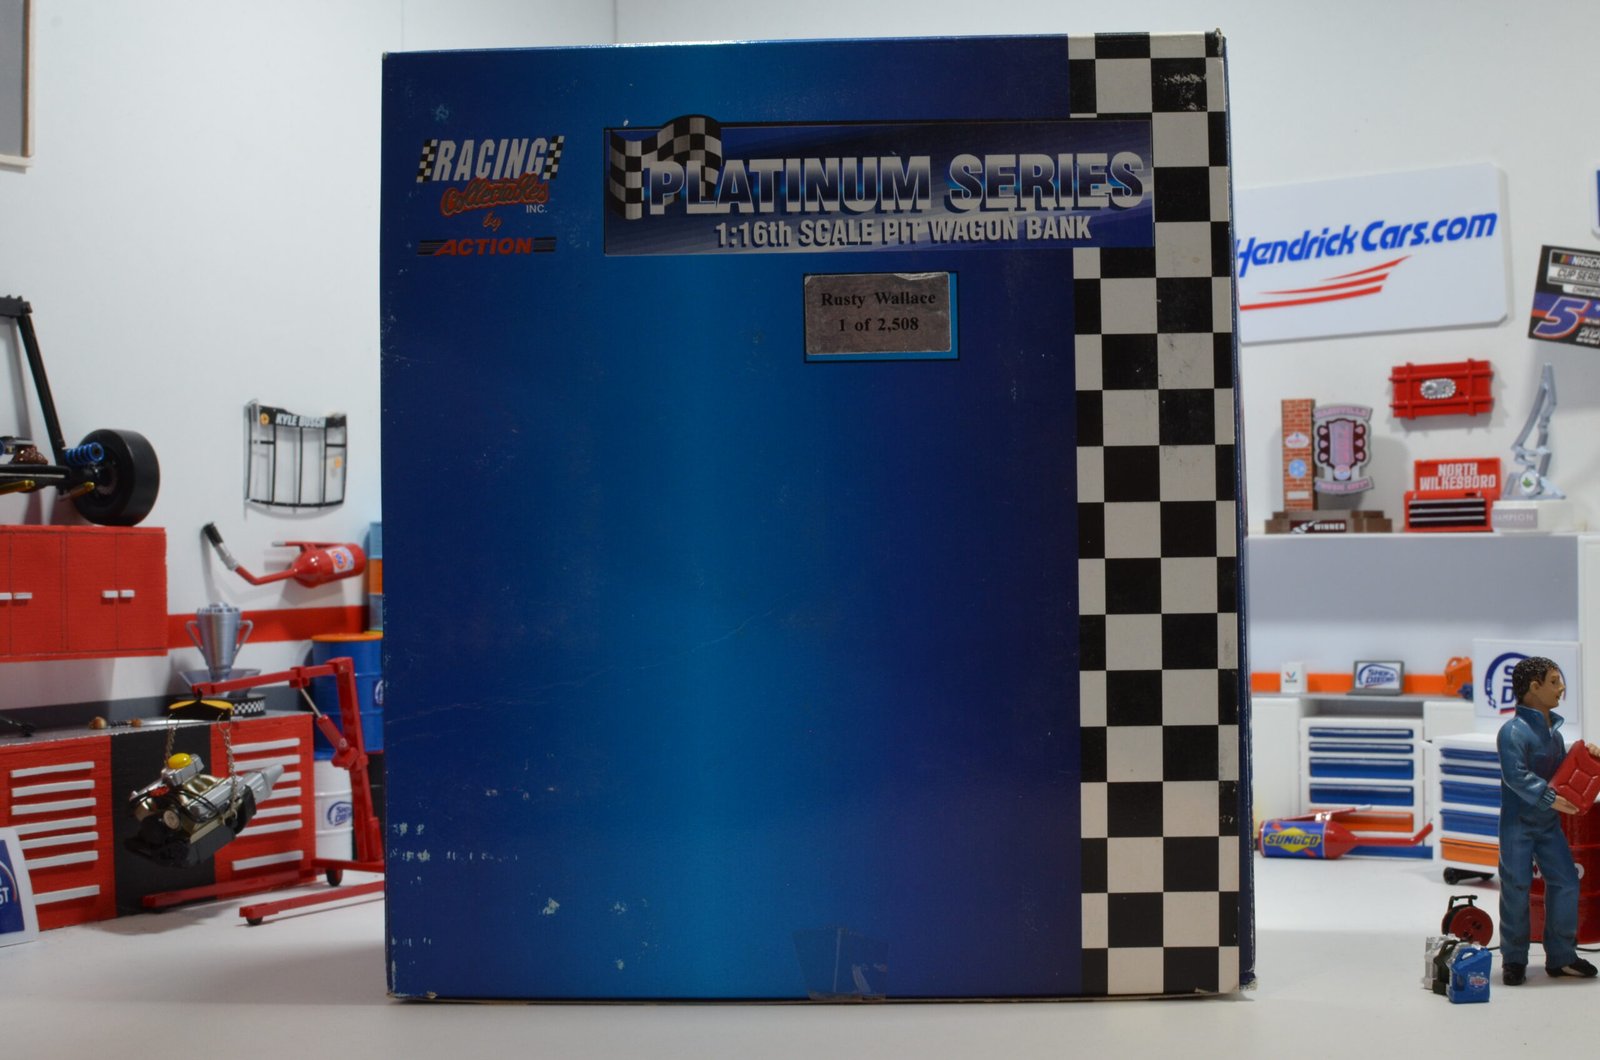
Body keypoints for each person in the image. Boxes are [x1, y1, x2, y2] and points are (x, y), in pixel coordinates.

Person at [1498, 656, 1600, 985]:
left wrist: (1587, 756)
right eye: (1554, 682)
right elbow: (1516, 776)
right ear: (1534, 687)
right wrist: (1550, 798)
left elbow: (1564, 769)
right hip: (1518, 825)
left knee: (1566, 881)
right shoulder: (1512, 732)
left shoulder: (1554, 734)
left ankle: (1562, 955)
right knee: (1516, 887)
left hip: (1547, 825)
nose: (1561, 688)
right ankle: (1514, 958)